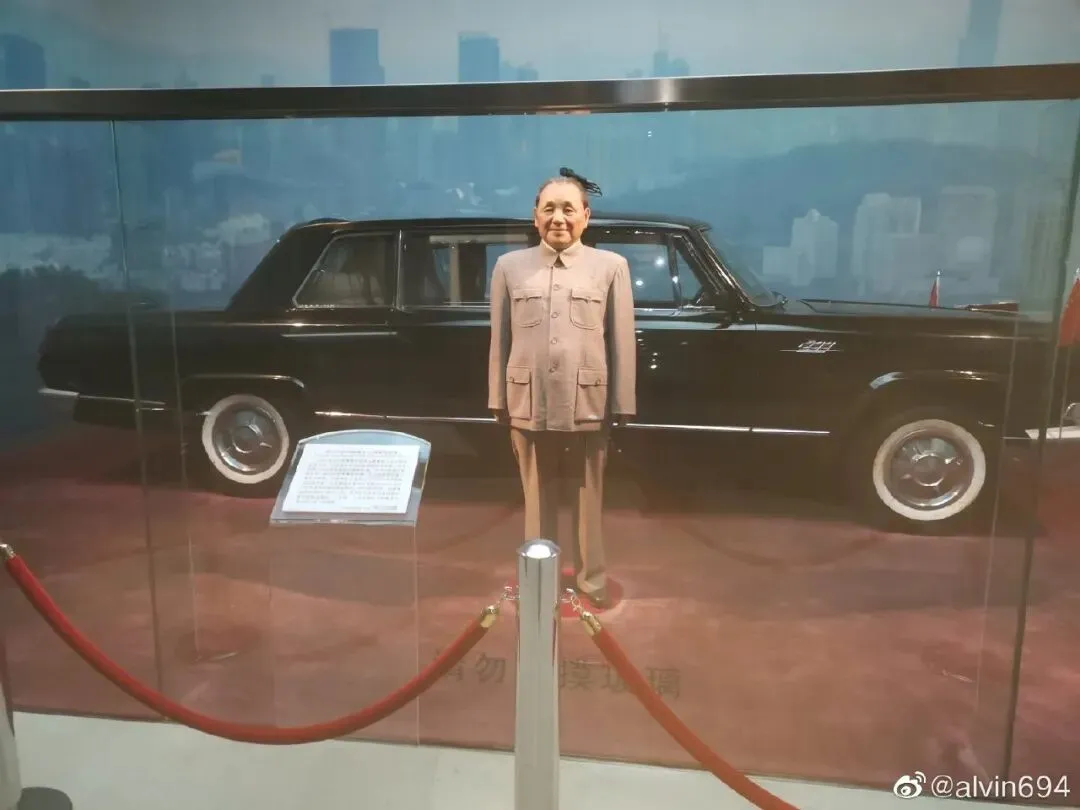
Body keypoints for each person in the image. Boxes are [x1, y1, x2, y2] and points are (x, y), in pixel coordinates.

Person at [487, 168, 637, 608]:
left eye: (568, 209)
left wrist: (622, 402)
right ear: (535, 216)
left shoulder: (611, 267)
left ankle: (593, 582)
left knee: (590, 497)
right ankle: (540, 582)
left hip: (588, 401)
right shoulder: (509, 267)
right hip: (528, 401)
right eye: (549, 208)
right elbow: (499, 338)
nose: (558, 218)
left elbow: (621, 340)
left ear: (586, 216)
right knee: (536, 498)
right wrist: (498, 397)